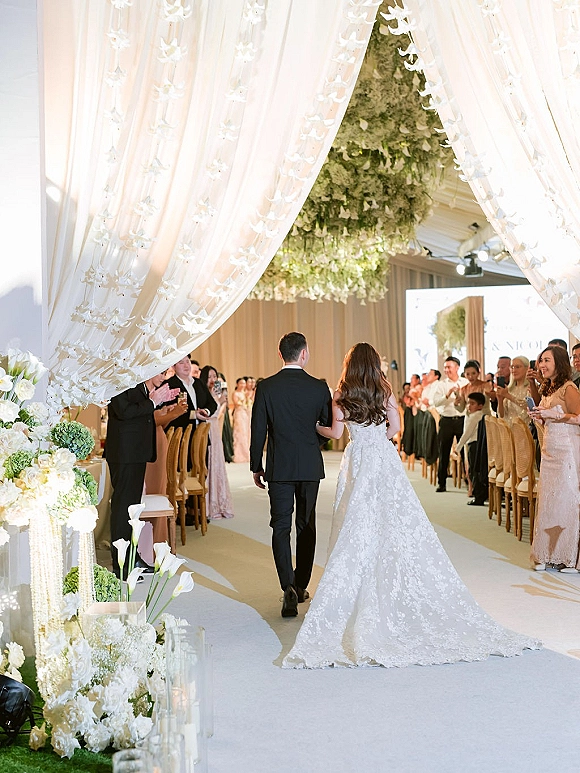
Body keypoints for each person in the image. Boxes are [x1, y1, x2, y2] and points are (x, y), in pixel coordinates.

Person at [282, 343, 539, 668]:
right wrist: (376, 438)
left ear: (349, 365)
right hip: (383, 459)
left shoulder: (342, 392)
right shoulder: (384, 388)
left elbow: (334, 432)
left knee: (357, 526)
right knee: (394, 524)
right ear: (375, 364)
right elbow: (396, 427)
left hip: (359, 460)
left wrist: (317, 428)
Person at [250, 332, 332, 618]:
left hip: (279, 467)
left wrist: (255, 465)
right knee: (306, 525)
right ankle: (300, 585)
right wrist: (311, 444)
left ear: (280, 353)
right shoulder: (319, 388)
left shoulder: (266, 387)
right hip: (309, 465)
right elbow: (326, 427)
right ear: (304, 353)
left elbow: (258, 429)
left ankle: (287, 586)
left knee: (280, 526)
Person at [104, 375, 179, 577]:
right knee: (123, 508)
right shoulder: (119, 378)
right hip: (125, 452)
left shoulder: (135, 381)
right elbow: (123, 410)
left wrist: (156, 399)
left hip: (134, 452)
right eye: (161, 372)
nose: (163, 376)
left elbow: (137, 408)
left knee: (131, 509)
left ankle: (132, 556)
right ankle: (122, 563)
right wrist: (153, 401)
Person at [528, 346, 580, 573]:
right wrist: (539, 417)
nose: (541, 365)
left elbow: (579, 417)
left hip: (567, 452)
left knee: (567, 502)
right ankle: (546, 553)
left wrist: (554, 414)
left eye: (546, 360)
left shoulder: (569, 388)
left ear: (558, 362)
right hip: (549, 452)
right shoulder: (548, 389)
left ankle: (568, 557)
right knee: (548, 502)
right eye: (541, 361)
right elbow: (549, 421)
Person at [165, 355, 218, 466]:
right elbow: (170, 410)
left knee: (202, 470)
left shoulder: (198, 383)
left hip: (201, 435)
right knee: (184, 470)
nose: (186, 365)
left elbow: (212, 404)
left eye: (187, 362)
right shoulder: (169, 385)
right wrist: (194, 415)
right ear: (173, 367)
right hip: (181, 436)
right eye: (181, 363)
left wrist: (206, 411)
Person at [199, 365, 234, 519]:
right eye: (210, 377)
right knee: (209, 461)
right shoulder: (202, 392)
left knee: (217, 463)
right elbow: (210, 411)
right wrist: (217, 401)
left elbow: (220, 411)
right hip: (206, 426)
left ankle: (219, 502)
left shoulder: (217, 390)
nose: (213, 380)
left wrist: (221, 400)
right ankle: (208, 503)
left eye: (215, 376)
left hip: (215, 427)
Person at [431, 356, 468, 492]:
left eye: (449, 367)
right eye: (445, 367)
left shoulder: (465, 382)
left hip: (461, 419)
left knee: (464, 452)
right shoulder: (441, 384)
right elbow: (436, 403)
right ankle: (442, 482)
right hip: (446, 420)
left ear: (457, 368)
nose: (446, 370)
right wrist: (447, 395)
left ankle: (467, 479)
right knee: (444, 451)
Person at [454, 392, 486, 506]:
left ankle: (478, 496)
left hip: (474, 444)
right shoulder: (472, 415)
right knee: (472, 470)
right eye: (468, 403)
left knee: (474, 470)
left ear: (480, 406)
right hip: (472, 444)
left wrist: (458, 447)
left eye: (472, 403)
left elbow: (467, 433)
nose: (469, 406)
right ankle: (479, 494)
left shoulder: (476, 416)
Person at [496, 356, 530, 425]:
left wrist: (508, 396)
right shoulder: (509, 389)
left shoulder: (531, 388)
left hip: (525, 430)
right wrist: (500, 400)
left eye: (517, 367)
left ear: (527, 368)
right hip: (509, 430)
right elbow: (501, 415)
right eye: (512, 367)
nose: (514, 370)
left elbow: (529, 407)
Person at [232, 377, 251, 463]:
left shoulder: (245, 393)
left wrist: (247, 398)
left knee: (246, 433)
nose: (243, 385)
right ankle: (239, 455)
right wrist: (244, 398)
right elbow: (237, 404)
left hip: (245, 414)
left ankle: (246, 454)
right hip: (239, 413)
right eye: (241, 383)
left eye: (244, 383)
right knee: (240, 433)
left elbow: (247, 404)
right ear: (237, 384)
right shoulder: (235, 393)